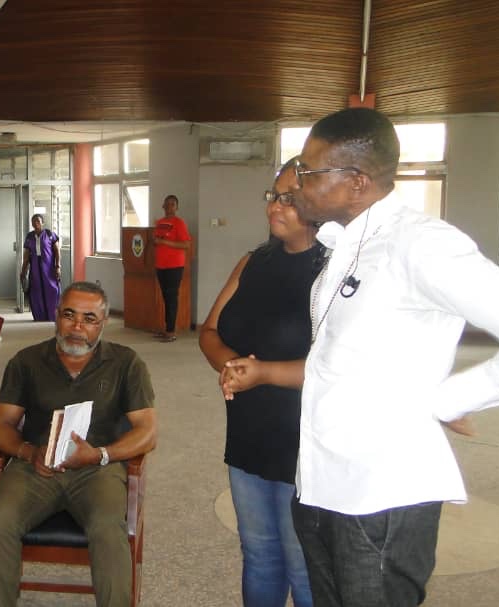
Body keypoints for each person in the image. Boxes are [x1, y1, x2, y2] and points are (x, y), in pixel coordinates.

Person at [284, 107, 499, 607]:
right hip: (321, 481)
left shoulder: (419, 245)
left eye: (308, 171)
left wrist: (449, 399)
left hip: (380, 495)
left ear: (356, 182)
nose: (296, 184)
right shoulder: (345, 244)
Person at [0, 281, 157, 607]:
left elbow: (147, 431)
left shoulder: (126, 363)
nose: (77, 327)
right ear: (57, 315)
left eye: (89, 319)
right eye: (69, 315)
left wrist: (100, 454)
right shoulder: (26, 361)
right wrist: (28, 452)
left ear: (103, 323)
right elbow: (1, 425)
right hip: (36, 466)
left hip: (98, 469)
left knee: (108, 527)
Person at [198, 161, 321, 607]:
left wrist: (263, 373)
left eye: (289, 198)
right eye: (273, 196)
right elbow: (209, 331)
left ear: (318, 200)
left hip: (303, 438)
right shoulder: (253, 262)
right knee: (259, 555)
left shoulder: (335, 270)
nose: (274, 206)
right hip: (248, 431)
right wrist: (230, 366)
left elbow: (342, 368)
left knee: (303, 565)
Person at [153, 194, 190, 341]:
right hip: (160, 265)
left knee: (171, 298)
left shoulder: (179, 223)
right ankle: (166, 329)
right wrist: (157, 241)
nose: (169, 207)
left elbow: (186, 244)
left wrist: (164, 242)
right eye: (167, 204)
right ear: (163, 206)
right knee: (166, 298)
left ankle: (171, 332)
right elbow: (156, 241)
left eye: (173, 204)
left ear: (177, 207)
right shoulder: (159, 222)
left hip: (174, 266)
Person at [19, 213, 61, 321]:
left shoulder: (50, 234)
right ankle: (40, 316)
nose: (35, 223)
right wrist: (23, 271)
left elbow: (57, 251)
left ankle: (52, 315)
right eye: (33, 221)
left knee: (52, 289)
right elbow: (26, 256)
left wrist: (58, 266)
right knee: (36, 291)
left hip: (49, 267)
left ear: (42, 222)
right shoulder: (29, 236)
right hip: (35, 268)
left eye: (38, 220)